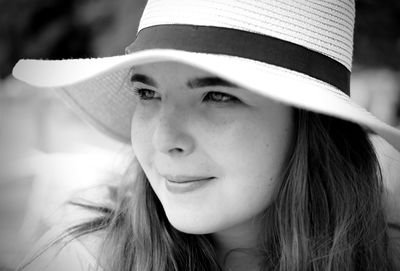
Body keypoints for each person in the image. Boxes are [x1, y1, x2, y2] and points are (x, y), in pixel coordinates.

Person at [12, 0, 400, 270]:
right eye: (147, 93)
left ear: (311, 125)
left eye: (217, 96)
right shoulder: (83, 259)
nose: (165, 140)